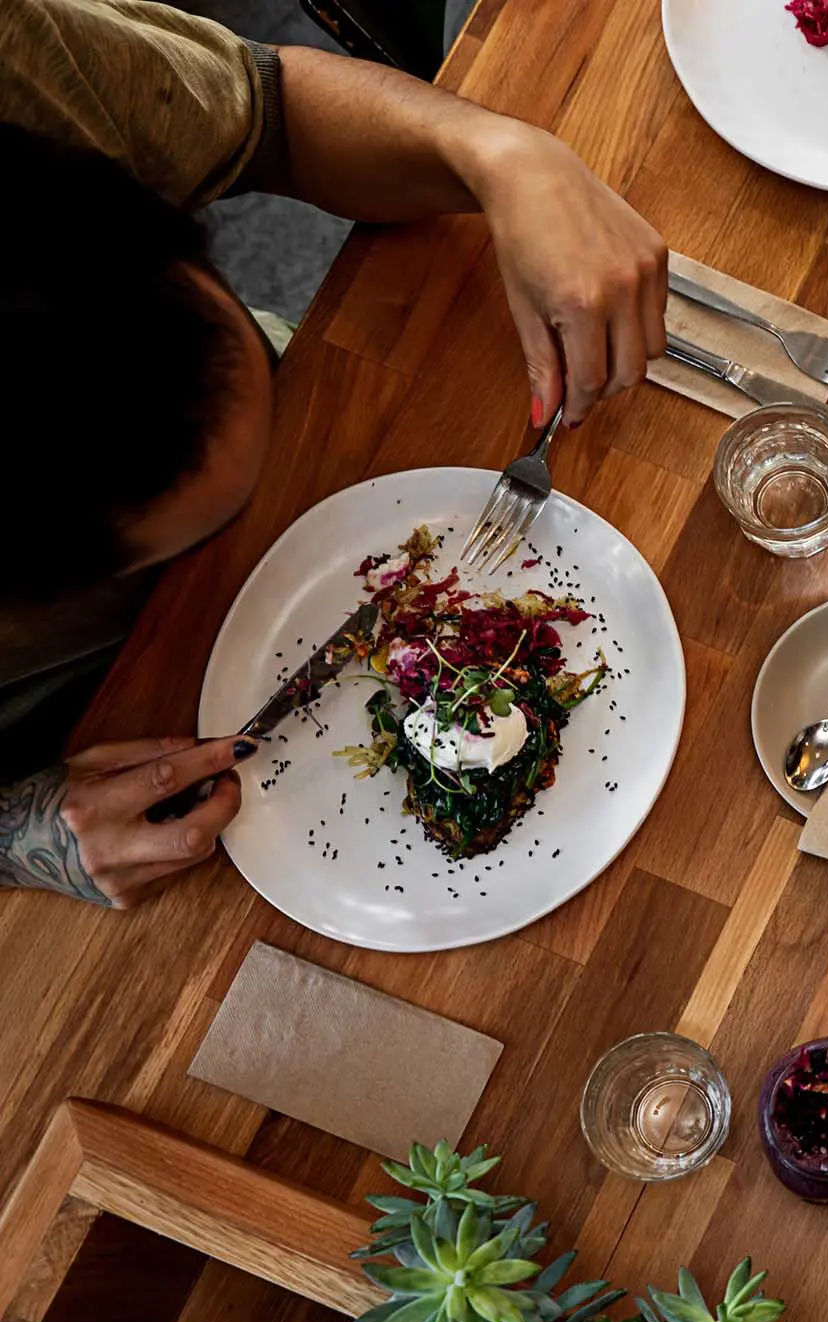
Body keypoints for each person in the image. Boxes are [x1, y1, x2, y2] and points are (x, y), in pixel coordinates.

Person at [0, 0, 667, 906]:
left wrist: (500, 154)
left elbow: (271, 114)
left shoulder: (18, 67)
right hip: (83, 736)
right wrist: (19, 831)